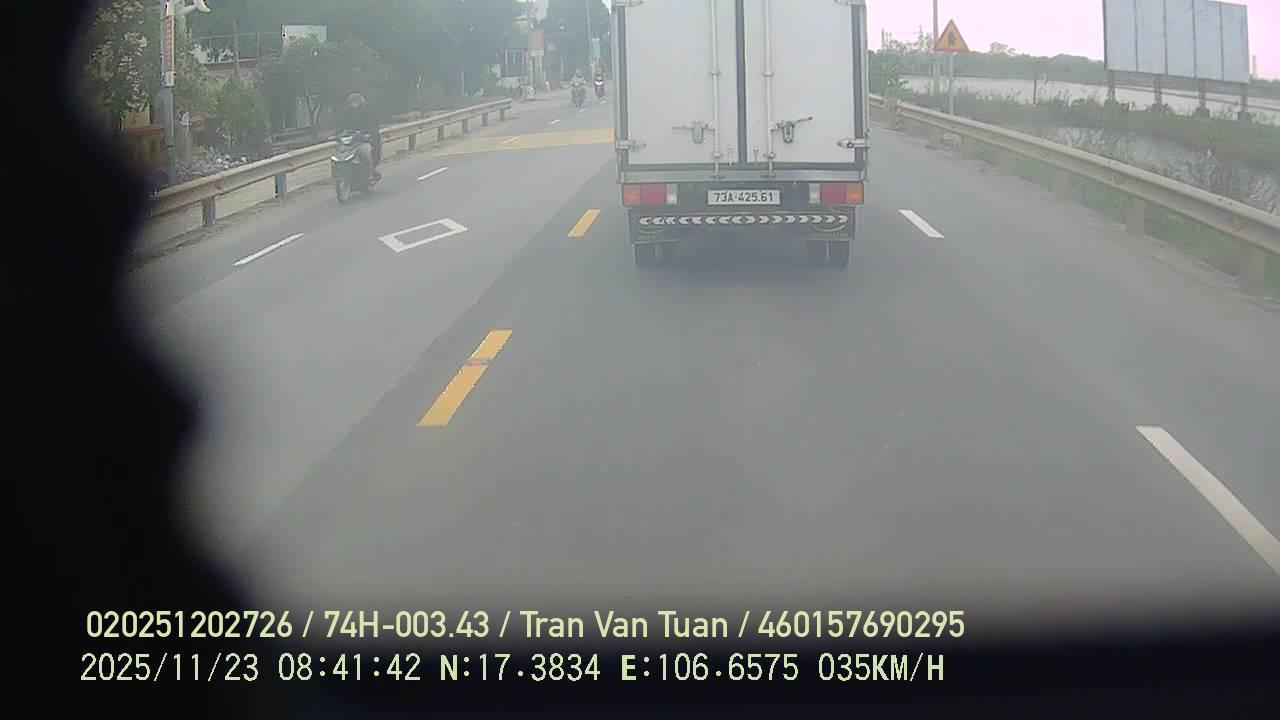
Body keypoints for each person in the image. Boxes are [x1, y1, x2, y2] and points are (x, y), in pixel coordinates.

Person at [339, 92, 381, 181]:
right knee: (340, 154)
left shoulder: (367, 112)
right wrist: (339, 134)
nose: (354, 103)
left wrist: (369, 134)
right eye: (352, 101)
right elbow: (341, 126)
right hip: (351, 141)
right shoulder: (347, 113)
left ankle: (370, 173)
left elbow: (373, 126)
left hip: (364, 140)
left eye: (356, 101)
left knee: (366, 152)